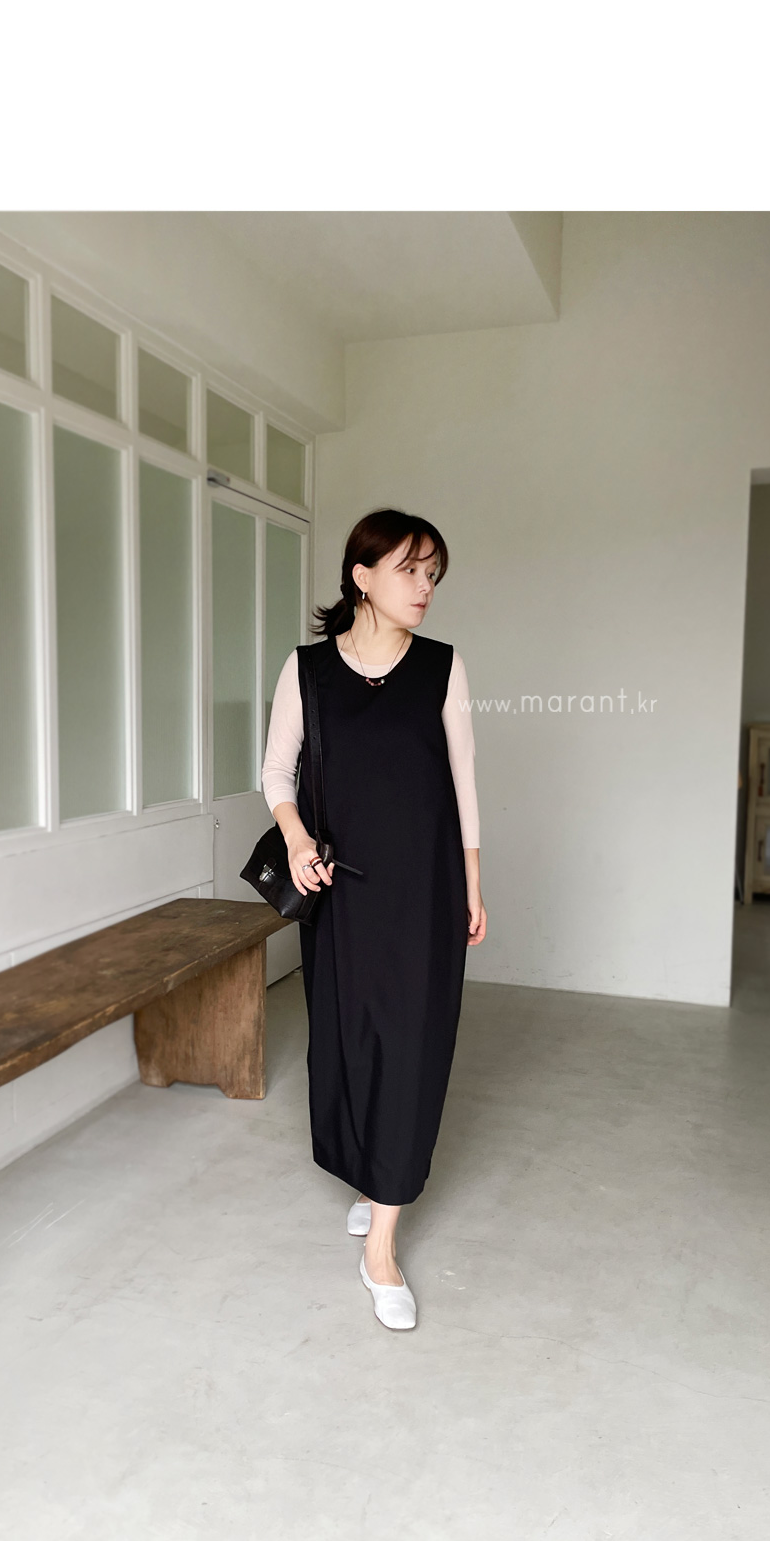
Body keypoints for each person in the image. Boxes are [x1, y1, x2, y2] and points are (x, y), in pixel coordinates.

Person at [261, 508, 484, 1332]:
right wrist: (295, 840)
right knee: (351, 1042)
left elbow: (464, 783)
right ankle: (370, 1173)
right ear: (362, 576)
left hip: (426, 892)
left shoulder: (443, 668)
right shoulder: (308, 670)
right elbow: (276, 771)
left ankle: (382, 1246)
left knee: (413, 1044)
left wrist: (473, 885)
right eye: (409, 570)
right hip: (343, 892)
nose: (424, 588)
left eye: (433, 575)